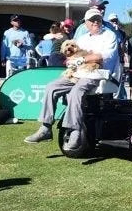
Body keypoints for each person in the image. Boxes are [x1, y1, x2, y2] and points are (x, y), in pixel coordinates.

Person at [24, 9, 117, 145]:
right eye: (92, 20)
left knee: (76, 91)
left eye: (98, 19)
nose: (96, 22)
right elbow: (71, 56)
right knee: (51, 87)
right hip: (78, 73)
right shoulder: (83, 38)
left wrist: (81, 60)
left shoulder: (109, 35)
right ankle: (46, 127)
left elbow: (101, 57)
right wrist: (70, 61)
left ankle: (75, 130)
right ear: (86, 23)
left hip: (96, 74)